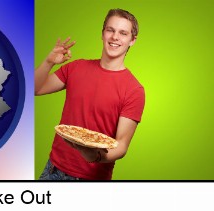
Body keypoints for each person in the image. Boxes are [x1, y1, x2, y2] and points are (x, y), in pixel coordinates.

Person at [35, 8, 145, 180]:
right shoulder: (76, 67)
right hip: (53, 169)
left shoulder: (134, 90)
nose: (115, 37)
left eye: (123, 33)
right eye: (110, 30)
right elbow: (36, 88)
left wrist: (95, 156)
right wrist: (49, 61)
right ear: (102, 34)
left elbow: (122, 145)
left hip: (91, 178)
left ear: (132, 40)